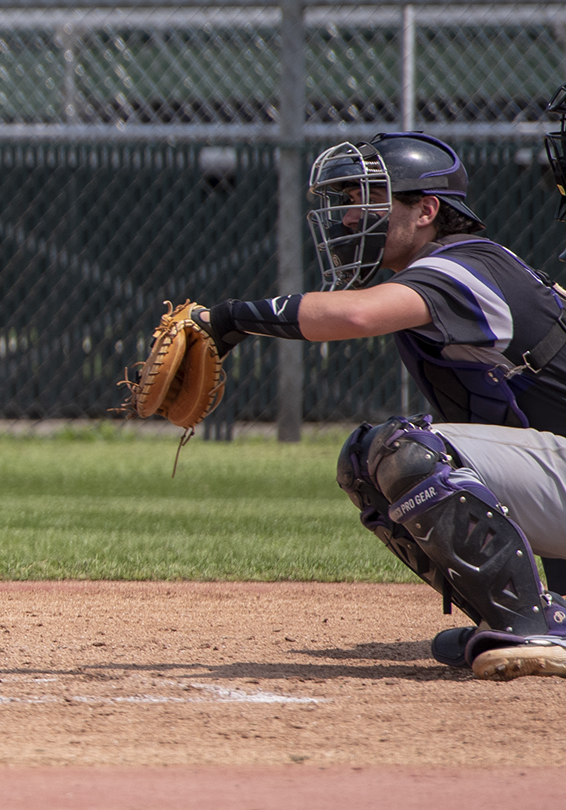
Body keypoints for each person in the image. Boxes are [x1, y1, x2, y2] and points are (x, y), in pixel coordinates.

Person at [196, 130, 566, 680]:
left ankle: (533, 624)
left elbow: (355, 315)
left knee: (407, 452)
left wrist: (230, 319)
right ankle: (525, 612)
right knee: (365, 461)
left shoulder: (465, 265)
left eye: (366, 201)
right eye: (346, 203)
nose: (349, 219)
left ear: (426, 210)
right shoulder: (452, 272)